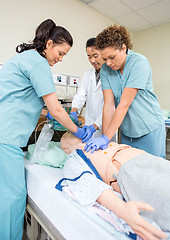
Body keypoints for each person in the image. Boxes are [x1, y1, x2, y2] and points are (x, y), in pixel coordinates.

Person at [0, 19, 85, 240]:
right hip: (6, 137)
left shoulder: (24, 59)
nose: (61, 58)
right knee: (14, 197)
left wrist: (51, 115)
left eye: (65, 55)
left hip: (5, 134)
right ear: (48, 44)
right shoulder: (38, 64)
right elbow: (56, 108)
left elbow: (26, 102)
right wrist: (77, 130)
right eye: (60, 51)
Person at [60, 132, 169, 240]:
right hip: (136, 173)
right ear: (65, 146)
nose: (77, 129)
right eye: (69, 132)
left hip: (156, 161)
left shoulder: (104, 141)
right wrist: (121, 209)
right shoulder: (74, 158)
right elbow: (90, 185)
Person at [84, 25, 166, 157]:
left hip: (150, 127)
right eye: (105, 59)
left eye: (112, 57)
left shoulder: (139, 63)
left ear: (123, 48)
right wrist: (106, 139)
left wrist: (105, 138)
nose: (108, 63)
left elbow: (124, 104)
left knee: (153, 170)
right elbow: (109, 105)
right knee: (129, 169)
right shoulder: (105, 70)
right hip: (128, 131)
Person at [70, 38, 105, 142]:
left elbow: (112, 107)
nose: (92, 60)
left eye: (95, 56)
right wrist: (74, 110)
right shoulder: (87, 74)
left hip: (105, 125)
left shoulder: (112, 75)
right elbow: (81, 95)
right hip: (89, 122)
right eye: (89, 57)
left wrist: (94, 126)